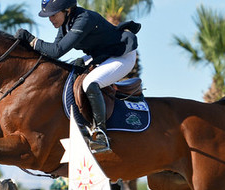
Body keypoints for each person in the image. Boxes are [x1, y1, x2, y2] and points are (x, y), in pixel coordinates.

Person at [15, 0, 139, 153]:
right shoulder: (66, 23)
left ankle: (101, 134)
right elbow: (53, 54)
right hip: (102, 55)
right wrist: (27, 46)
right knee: (69, 71)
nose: (50, 19)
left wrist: (32, 40)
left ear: (67, 9)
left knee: (89, 83)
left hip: (122, 56)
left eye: (53, 15)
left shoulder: (83, 19)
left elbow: (57, 51)